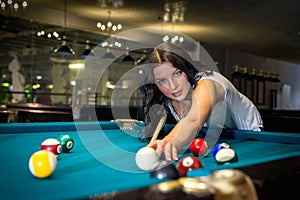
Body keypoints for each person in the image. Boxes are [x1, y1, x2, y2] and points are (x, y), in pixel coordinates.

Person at [138, 43, 263, 161]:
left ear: (186, 68)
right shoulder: (167, 99)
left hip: (250, 139)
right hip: (214, 140)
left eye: (177, 73)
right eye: (162, 81)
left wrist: (169, 142)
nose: (172, 86)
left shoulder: (209, 83)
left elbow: (192, 121)